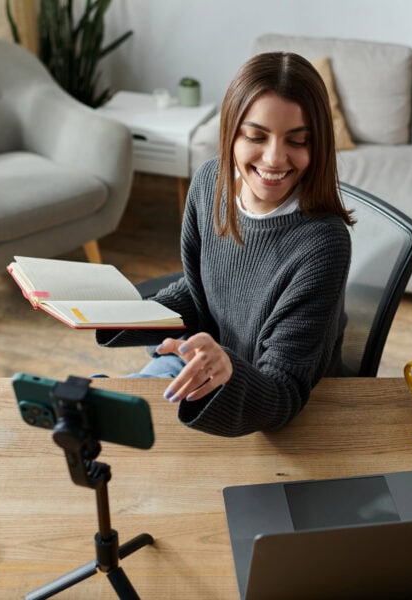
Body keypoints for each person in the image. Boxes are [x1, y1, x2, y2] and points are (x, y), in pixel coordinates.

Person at [96, 51, 354, 437]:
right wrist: (116, 315)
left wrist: (227, 369)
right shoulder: (209, 182)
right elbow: (200, 291)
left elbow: (283, 391)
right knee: (96, 413)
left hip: (257, 402)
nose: (274, 158)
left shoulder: (323, 245)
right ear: (231, 133)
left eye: (297, 141)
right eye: (256, 136)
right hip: (198, 367)